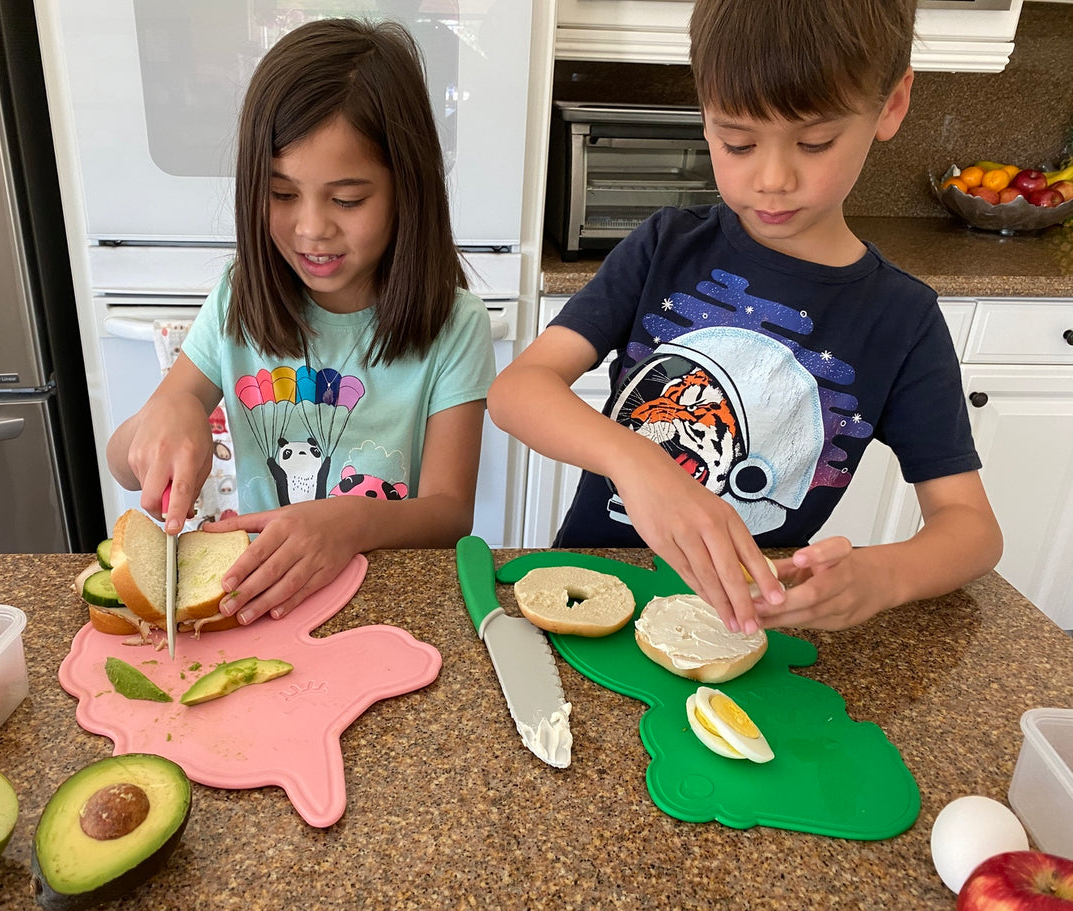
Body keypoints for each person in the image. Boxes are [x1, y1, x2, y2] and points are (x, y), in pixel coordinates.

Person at [488, 0, 1002, 633]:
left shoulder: (903, 318)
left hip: (743, 628)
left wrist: (884, 575)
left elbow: (971, 528)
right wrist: (640, 462)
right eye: (737, 142)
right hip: (594, 598)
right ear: (704, 114)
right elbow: (518, 391)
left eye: (815, 142)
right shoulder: (664, 249)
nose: (772, 178)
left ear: (891, 105)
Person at [108, 18, 495, 624]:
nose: (312, 228)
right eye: (282, 194)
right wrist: (167, 414)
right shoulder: (238, 299)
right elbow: (119, 460)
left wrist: (349, 523)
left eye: (347, 200)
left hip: (387, 602)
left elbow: (450, 514)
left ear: (407, 190)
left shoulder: (455, 325)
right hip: (266, 603)